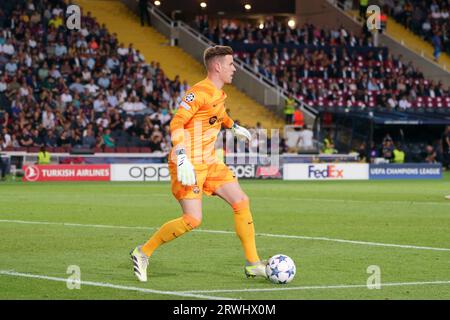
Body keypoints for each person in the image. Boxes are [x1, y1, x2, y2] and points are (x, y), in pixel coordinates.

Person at [130, 46, 266, 282]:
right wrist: (182, 156)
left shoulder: (219, 94)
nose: (234, 68)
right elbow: (176, 123)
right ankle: (143, 252)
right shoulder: (198, 92)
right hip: (188, 161)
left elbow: (219, 115)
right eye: (231, 64)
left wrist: (233, 126)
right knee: (192, 219)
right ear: (217, 66)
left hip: (210, 160)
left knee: (241, 201)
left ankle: (253, 263)